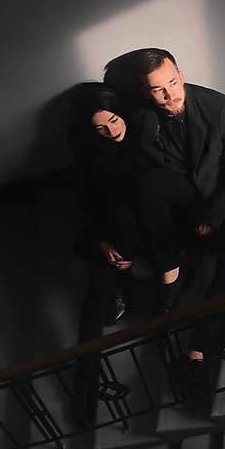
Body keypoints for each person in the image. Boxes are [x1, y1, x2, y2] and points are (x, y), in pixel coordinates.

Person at [125, 47, 225, 394]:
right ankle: (170, 271)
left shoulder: (220, 107)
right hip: (193, 187)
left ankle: (198, 351)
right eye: (158, 89)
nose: (169, 94)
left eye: (173, 82)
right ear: (146, 92)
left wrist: (213, 218)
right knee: (147, 186)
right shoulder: (145, 117)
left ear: (182, 75)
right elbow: (153, 163)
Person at [70, 83, 144, 341]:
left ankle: (128, 279)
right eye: (101, 128)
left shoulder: (144, 132)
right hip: (111, 230)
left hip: (147, 220)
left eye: (113, 120)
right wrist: (102, 244)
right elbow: (89, 206)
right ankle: (86, 378)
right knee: (97, 291)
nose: (111, 131)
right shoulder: (90, 154)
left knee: (127, 212)